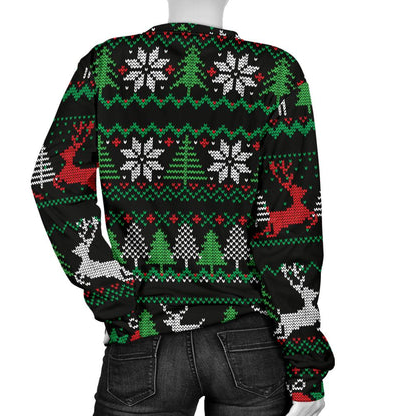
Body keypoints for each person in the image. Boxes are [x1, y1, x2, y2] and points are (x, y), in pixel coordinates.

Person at [30, 0, 335, 415]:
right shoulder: (276, 72)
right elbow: (291, 224)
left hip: (143, 331)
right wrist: (304, 365)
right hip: (249, 336)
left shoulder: (106, 64)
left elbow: (55, 182)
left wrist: (111, 294)